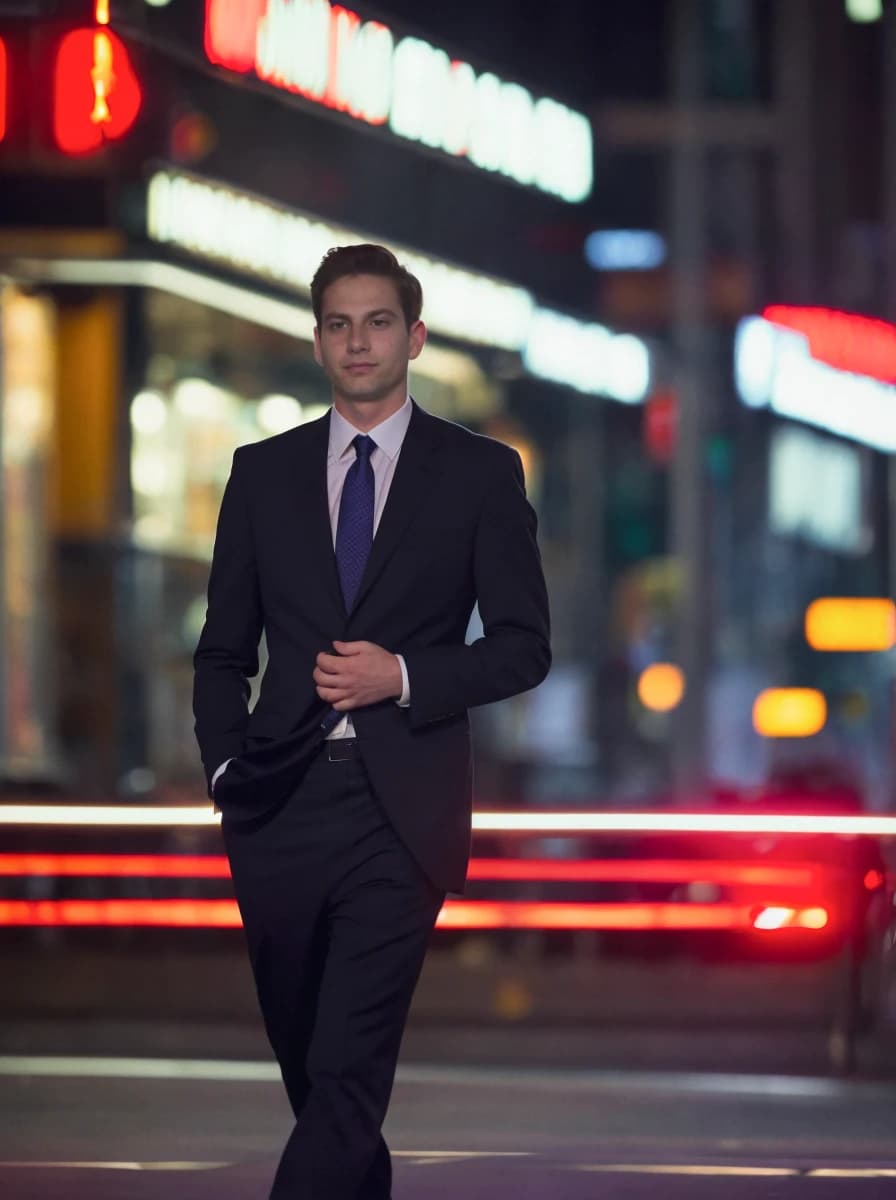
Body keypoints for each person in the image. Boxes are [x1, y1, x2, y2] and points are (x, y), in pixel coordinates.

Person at [193, 243, 551, 1199]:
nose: (359, 340)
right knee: (318, 1075)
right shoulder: (260, 473)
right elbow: (223, 650)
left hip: (404, 807)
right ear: (317, 342)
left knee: (348, 1068)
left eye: (379, 321)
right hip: (277, 802)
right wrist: (227, 770)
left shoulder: (480, 475)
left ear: (416, 337)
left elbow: (524, 647)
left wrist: (404, 675)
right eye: (340, 323)